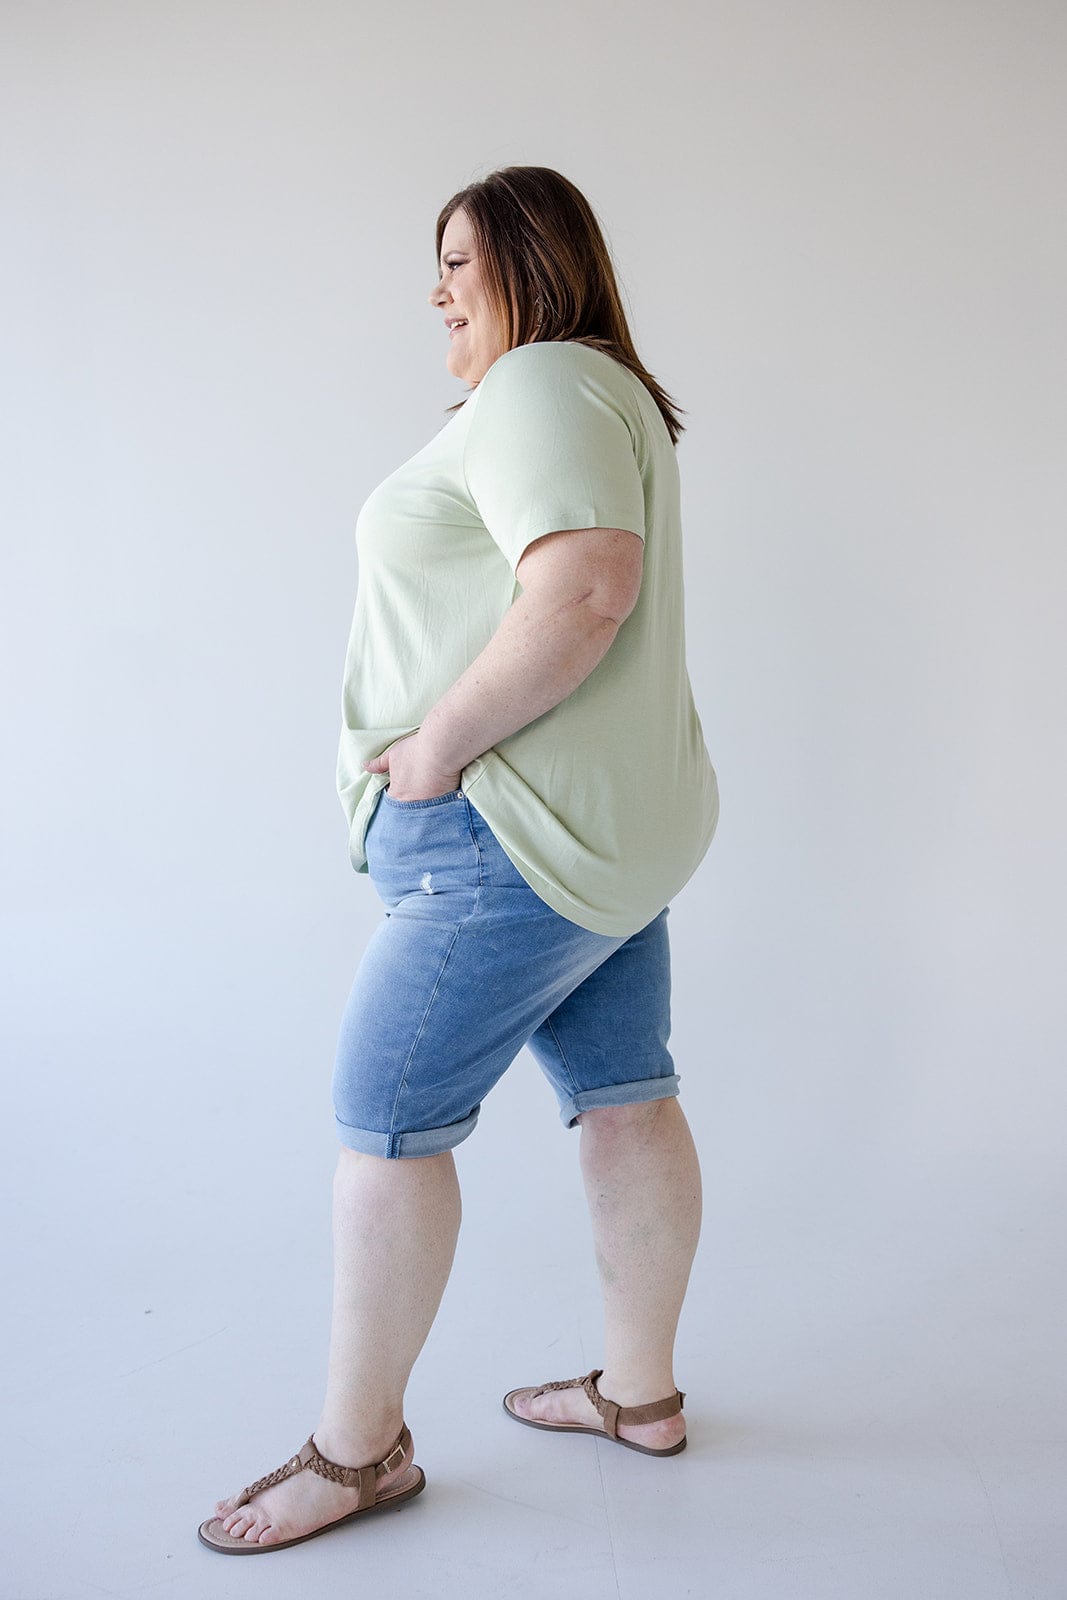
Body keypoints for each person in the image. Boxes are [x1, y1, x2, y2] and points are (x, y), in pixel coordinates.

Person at [198, 165, 720, 1556]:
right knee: (624, 1098)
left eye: (458, 262)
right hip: (606, 839)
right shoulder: (605, 394)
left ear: (532, 265)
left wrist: (431, 750)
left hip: (509, 837)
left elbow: (586, 590)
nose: (436, 291)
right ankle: (638, 1395)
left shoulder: (541, 384)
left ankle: (357, 1455)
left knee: (382, 1127)